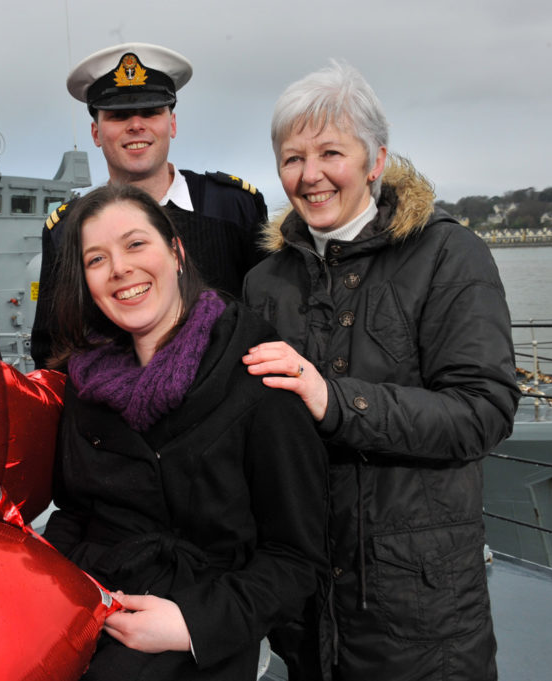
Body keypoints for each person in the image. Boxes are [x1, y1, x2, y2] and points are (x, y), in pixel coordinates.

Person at [242, 61, 520, 681]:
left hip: (421, 614)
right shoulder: (265, 282)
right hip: (306, 607)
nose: (309, 176)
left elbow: (483, 412)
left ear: (375, 160)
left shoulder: (449, 255)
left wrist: (334, 399)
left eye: (330, 153)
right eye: (292, 158)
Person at [41, 183, 328, 680]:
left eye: (135, 244)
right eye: (96, 259)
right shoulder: (85, 384)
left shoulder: (257, 373)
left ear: (175, 252)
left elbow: (296, 557)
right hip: (95, 606)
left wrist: (191, 624)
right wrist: (54, 590)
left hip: (202, 626)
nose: (120, 270)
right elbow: (74, 510)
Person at [31, 42, 268, 369]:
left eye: (151, 111)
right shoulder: (68, 228)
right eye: (119, 115)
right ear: (96, 132)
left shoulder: (233, 207)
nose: (136, 125)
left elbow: (269, 318)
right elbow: (52, 351)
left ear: (171, 124)